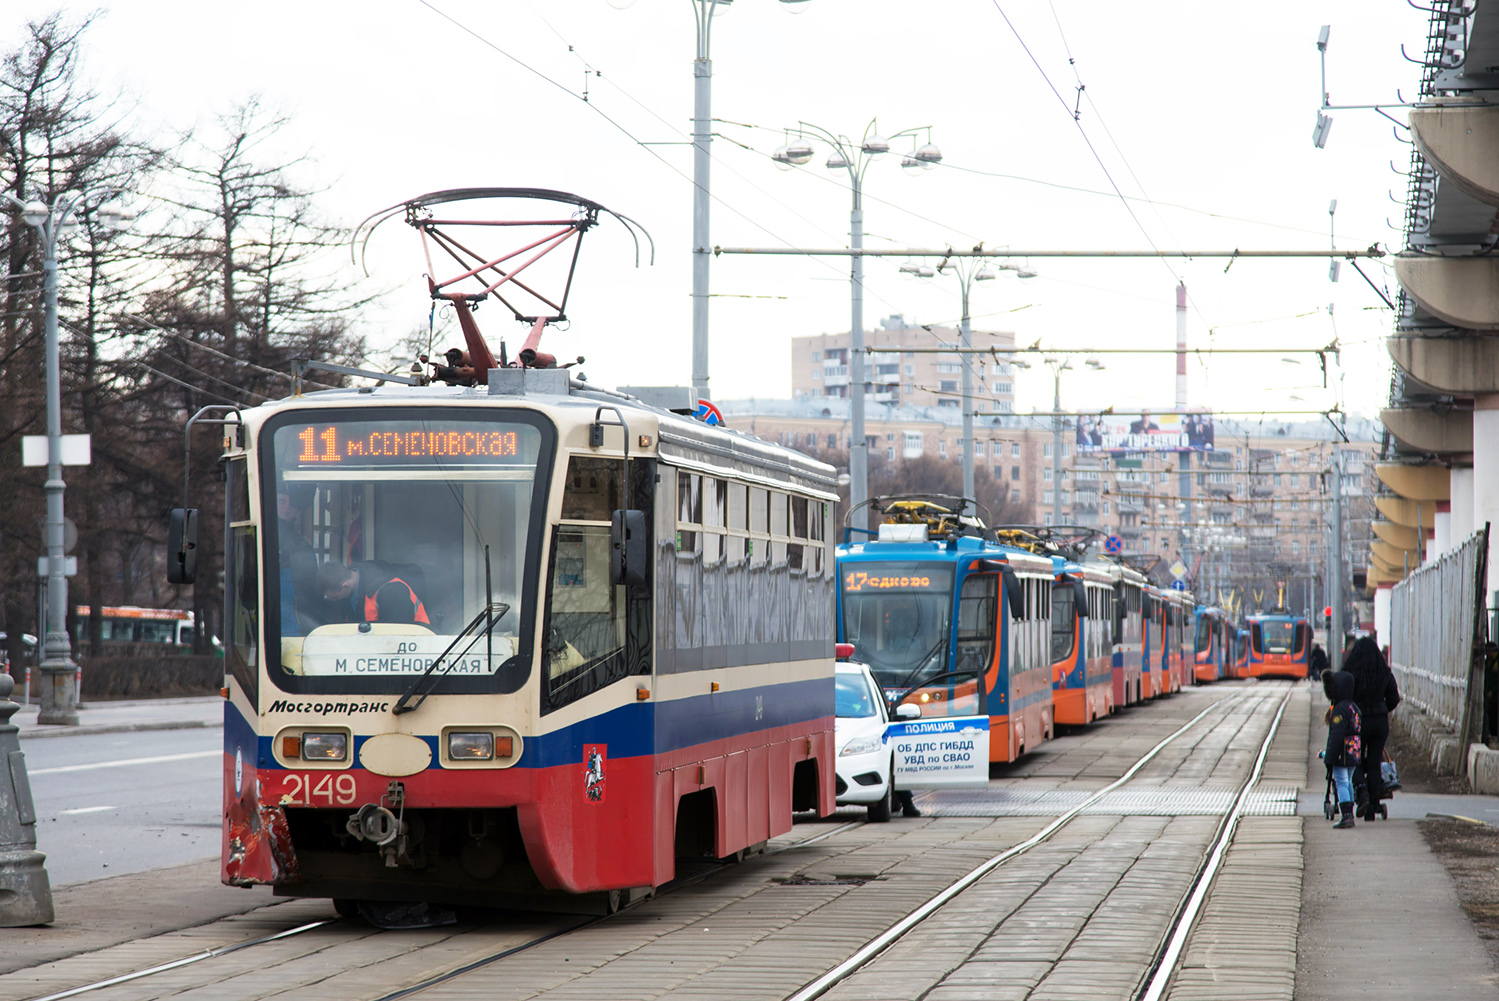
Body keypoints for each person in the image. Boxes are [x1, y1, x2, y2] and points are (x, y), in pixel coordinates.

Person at [1342, 635, 1401, 820]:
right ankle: (1373, 805)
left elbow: (1343, 697)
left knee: (1355, 760)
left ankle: (1362, 795)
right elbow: (1394, 698)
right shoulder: (1383, 672)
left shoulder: (1351, 672)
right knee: (1375, 762)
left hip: (1357, 723)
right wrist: (1382, 710)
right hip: (1379, 723)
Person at [318, 559, 431, 625]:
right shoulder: (350, 589)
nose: (334, 601)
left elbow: (397, 637)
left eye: (335, 598)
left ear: (345, 586)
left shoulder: (392, 592)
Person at [1323, 669, 1362, 829]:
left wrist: (1329, 757)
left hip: (1343, 752)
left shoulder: (1339, 710)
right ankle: (1350, 813)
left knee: (1341, 781)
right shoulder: (1354, 707)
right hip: (1355, 751)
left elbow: (1336, 735)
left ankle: (1346, 815)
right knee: (1349, 781)